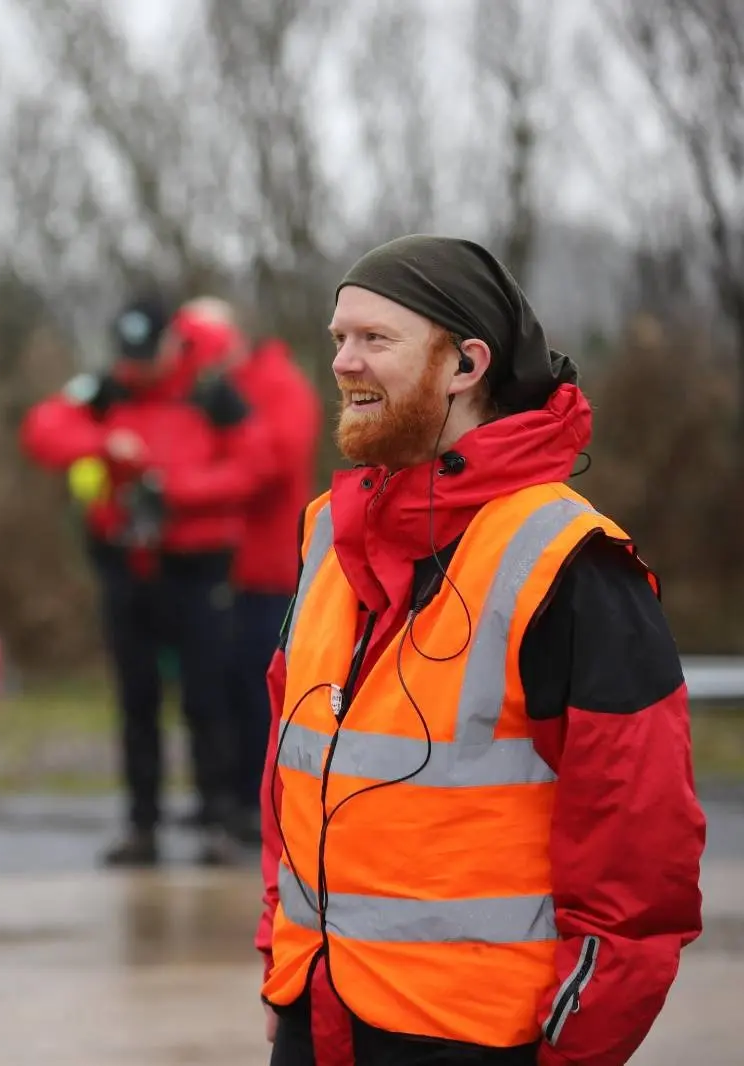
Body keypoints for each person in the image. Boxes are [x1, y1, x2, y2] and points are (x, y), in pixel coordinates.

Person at [253, 235, 706, 1066]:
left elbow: (639, 863)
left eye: (373, 340)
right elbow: (292, 775)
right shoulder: (326, 531)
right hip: (319, 1014)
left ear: (466, 364)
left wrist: (573, 1045)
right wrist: (283, 969)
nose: (344, 363)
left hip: (487, 1037)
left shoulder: (572, 562)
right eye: (337, 339)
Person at [21, 294, 266, 867]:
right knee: (136, 702)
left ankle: (217, 821)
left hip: (197, 568)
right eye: (127, 355)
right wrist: (105, 446)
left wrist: (177, 489)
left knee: (207, 699)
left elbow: (254, 464)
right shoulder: (107, 390)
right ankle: (142, 826)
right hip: (127, 568)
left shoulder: (211, 394)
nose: (137, 367)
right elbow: (44, 430)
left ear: (171, 344)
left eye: (146, 354)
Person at [175, 298, 322, 846]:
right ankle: (229, 799)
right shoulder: (222, 391)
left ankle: (261, 807)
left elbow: (271, 465)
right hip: (222, 568)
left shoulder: (277, 388)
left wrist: (182, 488)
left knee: (259, 693)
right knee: (219, 690)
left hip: (267, 570)